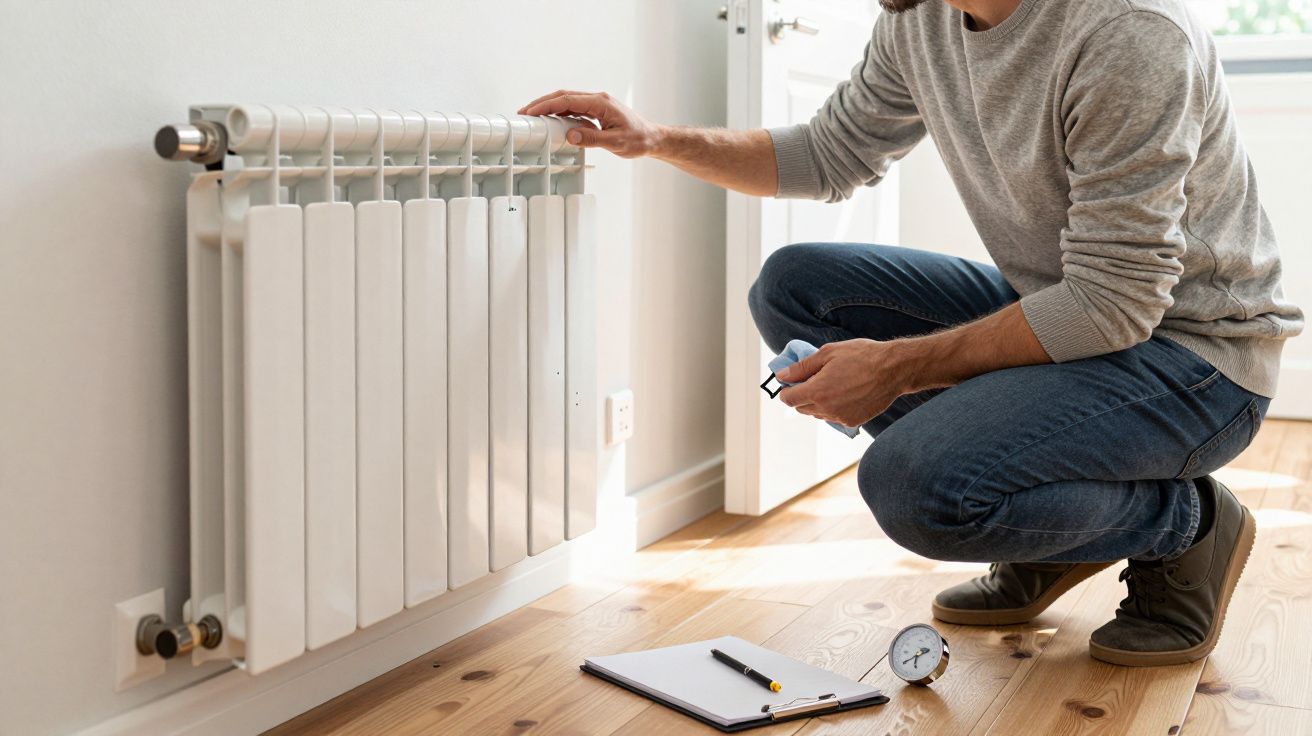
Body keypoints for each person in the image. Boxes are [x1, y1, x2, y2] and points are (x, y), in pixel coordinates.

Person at [520, 0, 1303, 666]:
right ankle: (1051, 529)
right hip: (1074, 303)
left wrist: (896, 367)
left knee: (919, 490)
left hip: (1196, 358)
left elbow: (1114, 303)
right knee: (798, 287)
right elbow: (827, 154)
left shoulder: (1129, 33)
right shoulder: (921, 17)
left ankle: (1186, 526)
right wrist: (655, 139)